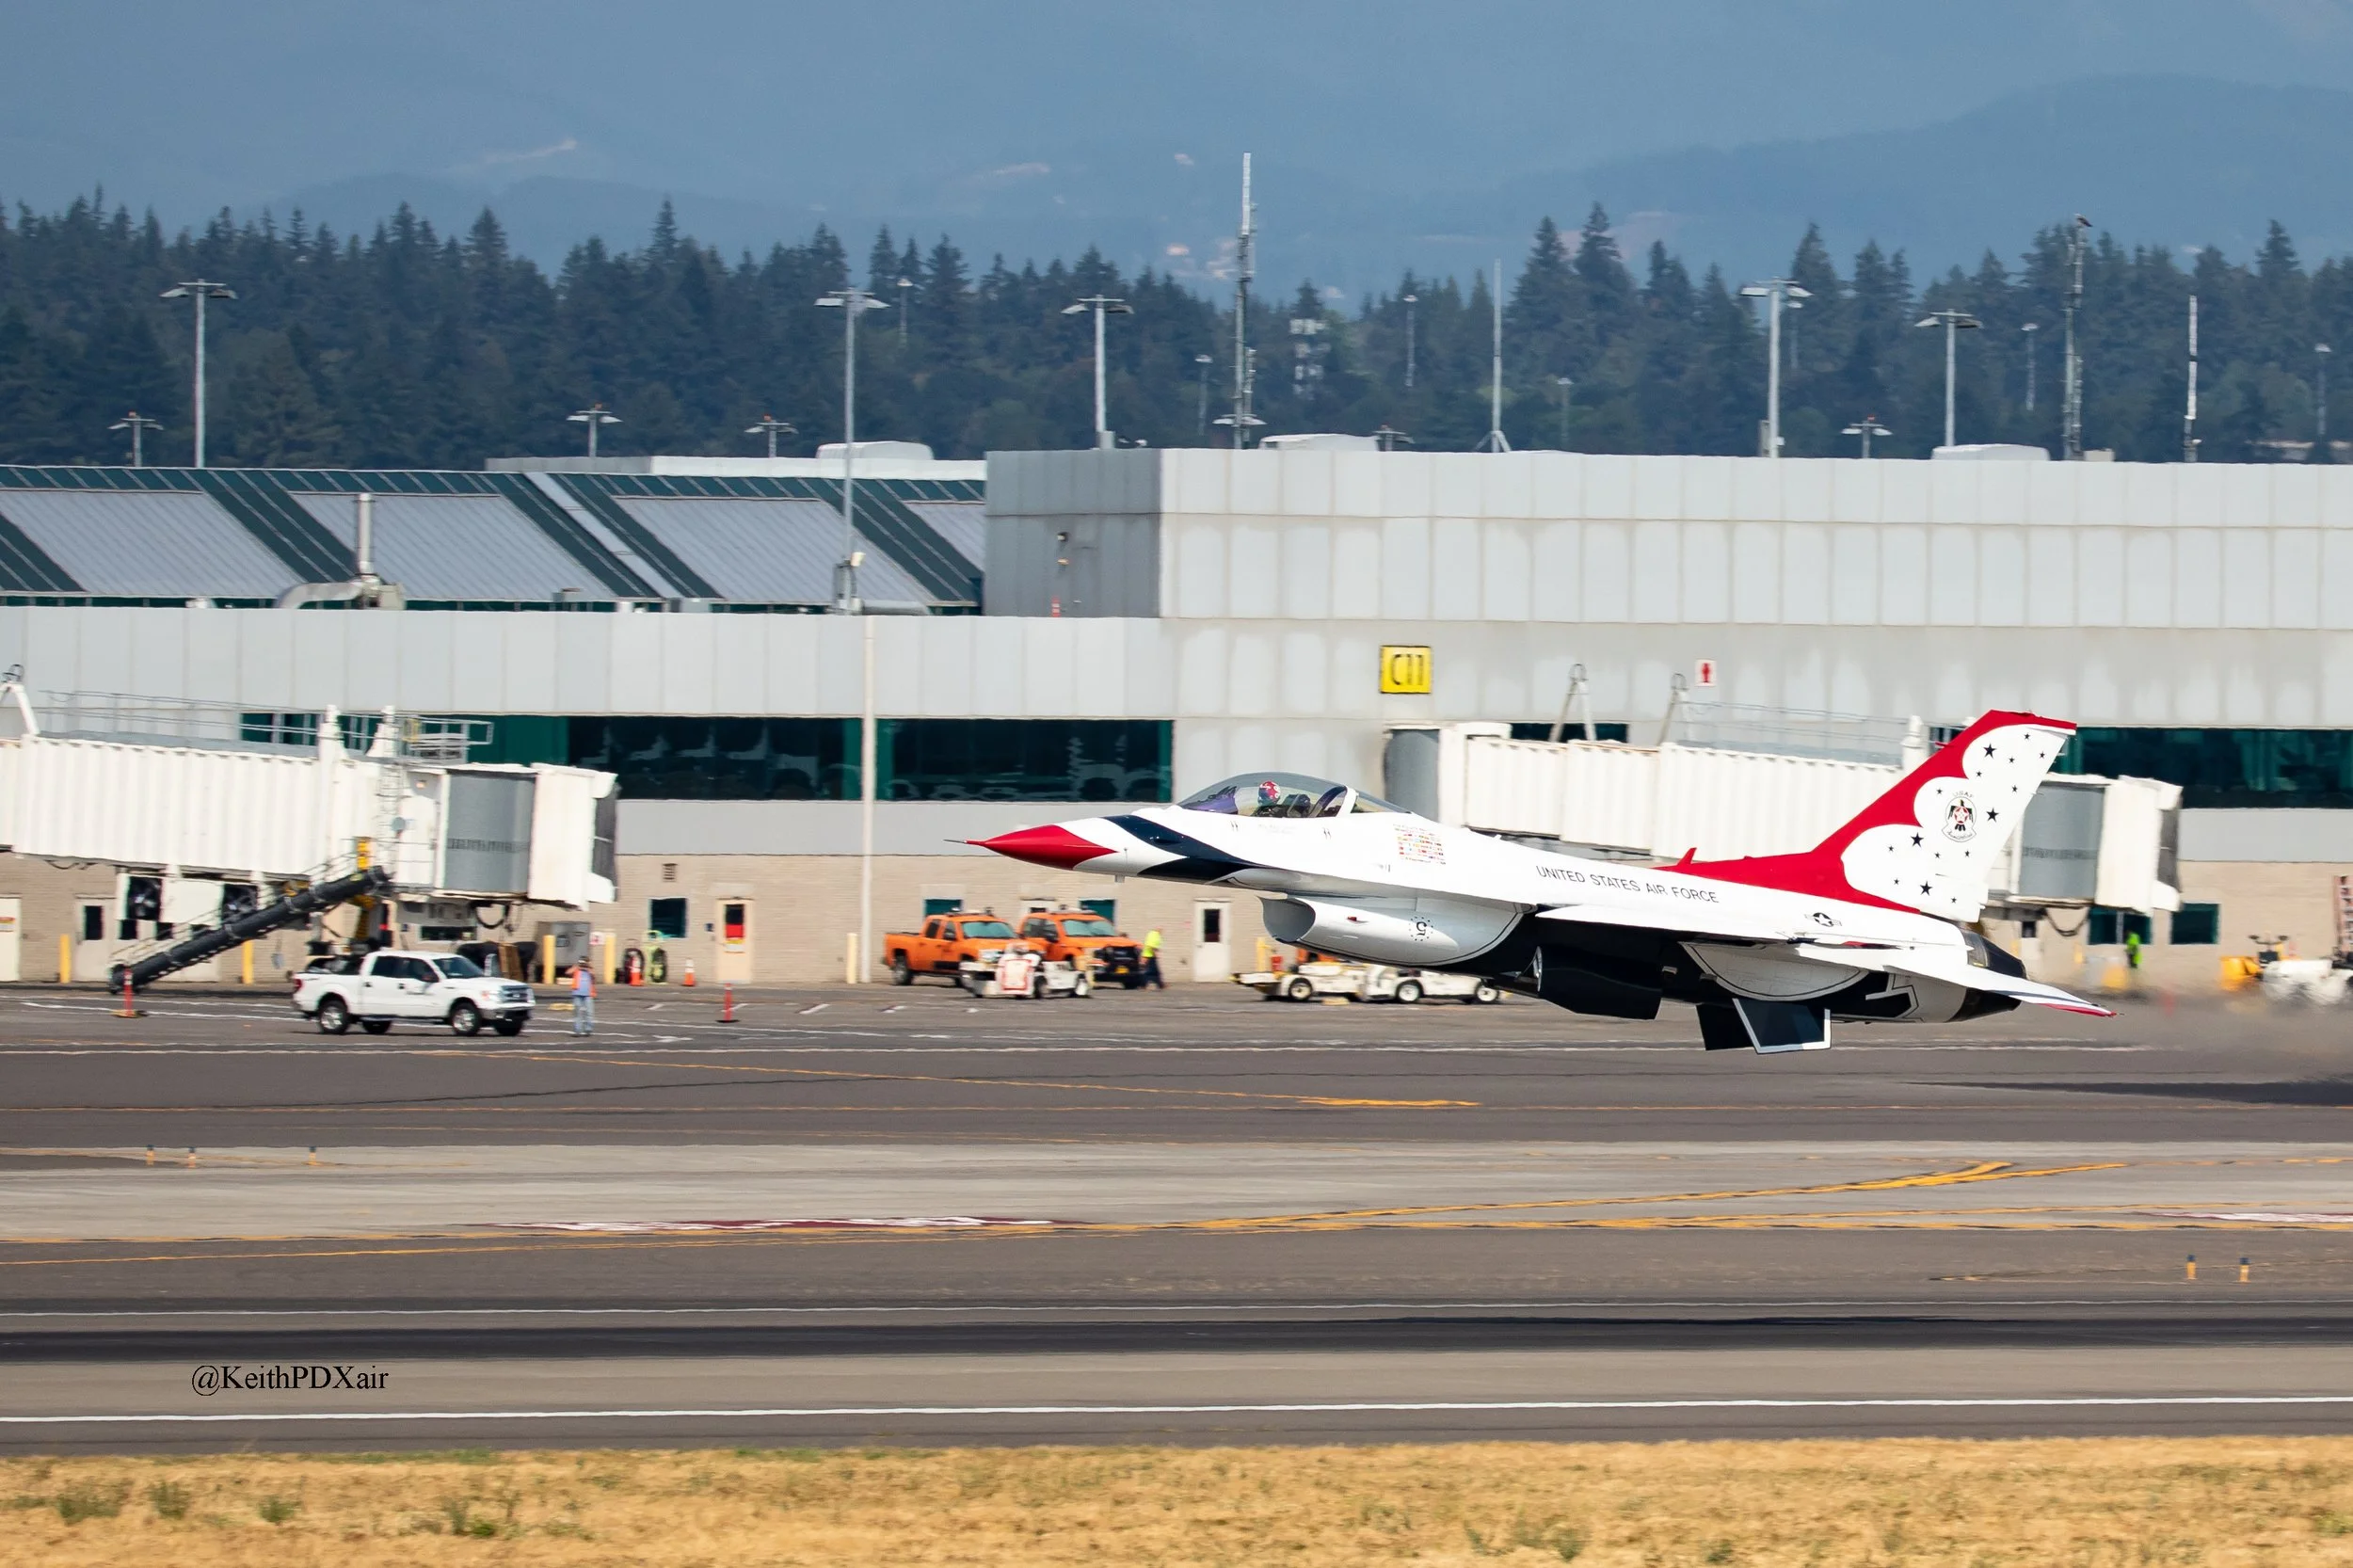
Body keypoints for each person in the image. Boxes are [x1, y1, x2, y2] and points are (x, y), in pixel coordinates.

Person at [570, 960, 595, 1035]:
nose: (583, 965)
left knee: (589, 1012)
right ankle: (578, 1030)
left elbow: (593, 976)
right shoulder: (577, 969)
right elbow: (568, 972)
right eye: (582, 963)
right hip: (577, 993)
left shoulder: (590, 970)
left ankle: (588, 1029)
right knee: (577, 1013)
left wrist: (588, 968)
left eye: (585, 963)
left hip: (588, 994)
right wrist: (577, 966)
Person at [1140, 926, 1165, 990]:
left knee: (1155, 971)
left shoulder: (1151, 934)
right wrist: (1156, 954)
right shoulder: (1155, 935)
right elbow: (1152, 946)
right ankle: (1143, 985)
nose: (1161, 932)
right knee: (1149, 971)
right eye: (1161, 930)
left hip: (1148, 955)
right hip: (1150, 956)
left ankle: (1160, 985)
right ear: (1158, 930)